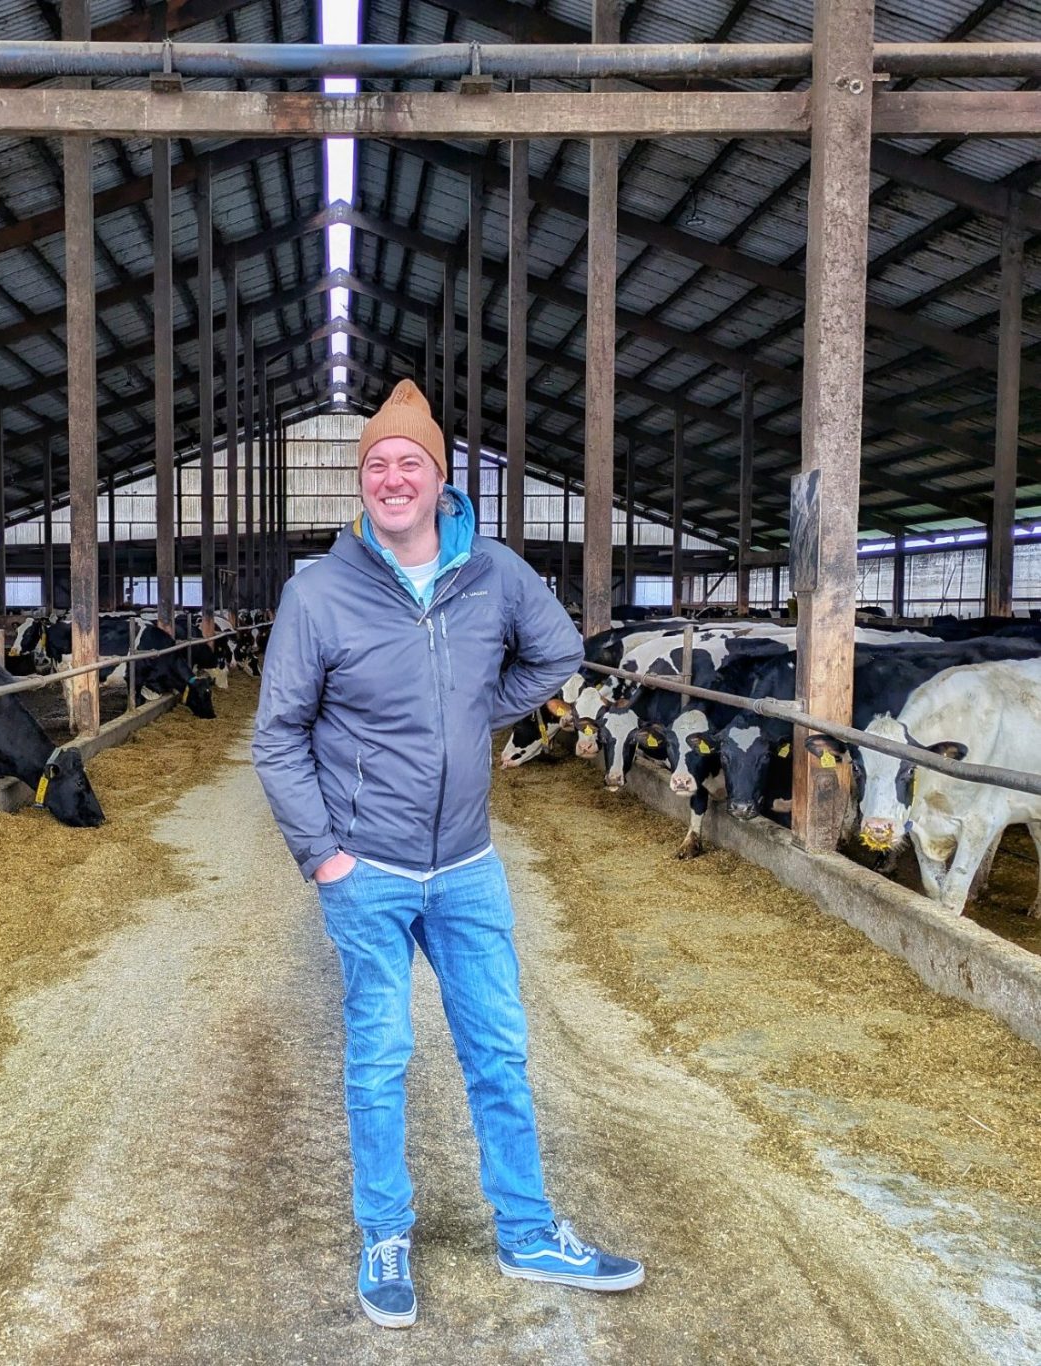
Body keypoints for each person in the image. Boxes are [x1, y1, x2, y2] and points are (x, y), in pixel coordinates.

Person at [252, 380, 644, 1329]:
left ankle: (528, 1229)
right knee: (380, 1057)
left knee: (498, 1051)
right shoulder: (318, 592)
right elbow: (277, 736)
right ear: (363, 485)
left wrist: (476, 713)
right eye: (376, 465)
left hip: (467, 865)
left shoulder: (496, 574)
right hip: (369, 869)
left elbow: (555, 657)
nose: (393, 478)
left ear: (440, 478)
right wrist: (324, 858)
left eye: (409, 463)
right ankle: (385, 1232)